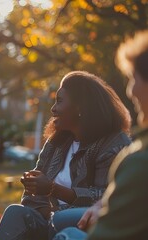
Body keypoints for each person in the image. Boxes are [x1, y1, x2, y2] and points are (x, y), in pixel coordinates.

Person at [0, 71, 132, 240]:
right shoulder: (56, 143)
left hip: (86, 228)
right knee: (16, 212)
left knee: (60, 221)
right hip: (49, 223)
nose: (53, 109)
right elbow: (31, 200)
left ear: (80, 107)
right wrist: (35, 187)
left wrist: (53, 190)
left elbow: (105, 199)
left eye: (59, 101)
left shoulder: (113, 145)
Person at [53, 30, 148, 240]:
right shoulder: (57, 142)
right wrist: (103, 205)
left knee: (67, 234)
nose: (130, 91)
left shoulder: (137, 159)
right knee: (56, 220)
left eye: (134, 80)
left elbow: (105, 233)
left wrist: (55, 190)